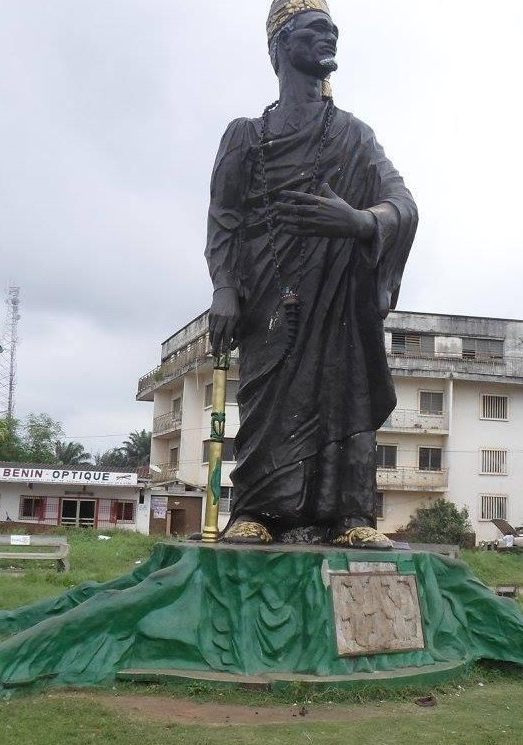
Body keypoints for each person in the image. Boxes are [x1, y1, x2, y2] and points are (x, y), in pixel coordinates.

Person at [206, 0, 417, 548]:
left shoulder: (354, 135)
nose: (331, 37)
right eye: (317, 28)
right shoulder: (246, 136)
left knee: (344, 390)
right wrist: (224, 287)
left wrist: (358, 221)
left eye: (334, 30)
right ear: (280, 44)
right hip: (267, 295)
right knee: (267, 397)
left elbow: (402, 203)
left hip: (340, 293)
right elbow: (224, 218)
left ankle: (351, 517)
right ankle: (256, 512)